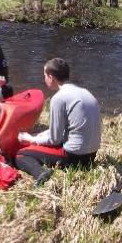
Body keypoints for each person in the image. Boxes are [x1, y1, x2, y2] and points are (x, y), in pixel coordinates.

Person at [16, 58, 102, 186]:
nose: (44, 79)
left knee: (21, 154)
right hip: (91, 156)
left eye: (44, 75)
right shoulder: (85, 92)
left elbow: (54, 139)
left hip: (74, 157)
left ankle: (40, 173)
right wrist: (39, 136)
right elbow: (66, 129)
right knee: (39, 142)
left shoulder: (59, 98)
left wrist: (30, 139)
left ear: (51, 77)